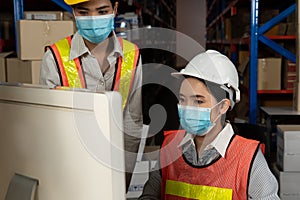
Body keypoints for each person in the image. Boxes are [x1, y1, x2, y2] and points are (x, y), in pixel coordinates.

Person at [138, 50, 280, 200]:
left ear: (223, 106)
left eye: (198, 101)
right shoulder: (170, 147)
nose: (187, 108)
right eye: (182, 100)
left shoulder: (247, 158)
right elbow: (149, 195)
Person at [39, 0, 143, 190]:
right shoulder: (54, 57)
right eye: (84, 12)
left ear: (115, 8)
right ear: (73, 12)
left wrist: (123, 178)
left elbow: (132, 122)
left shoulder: (132, 54)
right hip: (70, 170)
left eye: (102, 11)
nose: (93, 19)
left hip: (115, 164)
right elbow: (49, 128)